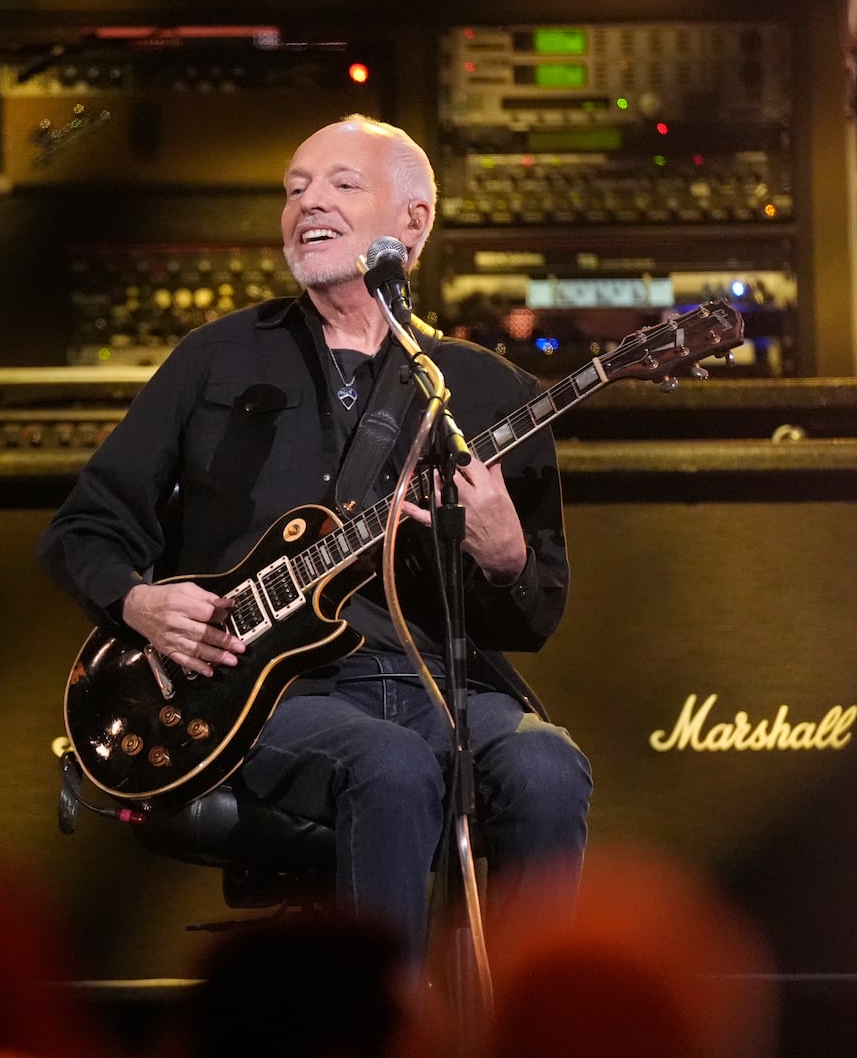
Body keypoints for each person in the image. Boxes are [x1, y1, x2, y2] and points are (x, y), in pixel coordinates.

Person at [38, 114, 592, 969]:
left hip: (435, 682)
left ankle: (530, 1024)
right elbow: (86, 527)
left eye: (340, 184)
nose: (307, 203)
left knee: (549, 768)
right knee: (391, 764)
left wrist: (506, 555)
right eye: (294, 188)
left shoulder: (486, 393)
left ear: (412, 224)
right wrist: (140, 601)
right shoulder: (216, 360)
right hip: (265, 695)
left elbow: (535, 613)